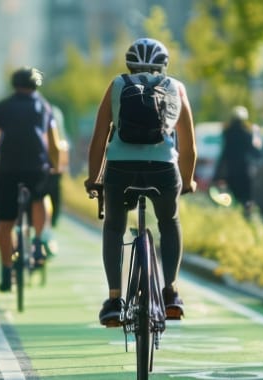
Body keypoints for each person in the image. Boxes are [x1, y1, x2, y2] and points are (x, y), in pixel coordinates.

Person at [84, 38, 197, 326]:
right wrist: (187, 181)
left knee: (113, 226)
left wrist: (93, 179)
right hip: (162, 169)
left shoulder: (117, 85)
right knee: (169, 222)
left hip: (121, 169)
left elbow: (98, 138)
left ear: (129, 64)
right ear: (165, 65)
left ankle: (113, 299)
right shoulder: (176, 87)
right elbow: (189, 146)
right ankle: (170, 293)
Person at [0, 67, 61, 293]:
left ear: (14, 85)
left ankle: (6, 272)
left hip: (9, 168)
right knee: (40, 197)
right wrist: (56, 166)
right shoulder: (44, 106)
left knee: (5, 224)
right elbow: (54, 142)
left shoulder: (2, 107)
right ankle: (39, 241)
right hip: (37, 165)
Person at [213, 105, 262, 218]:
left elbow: (224, 154)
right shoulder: (248, 133)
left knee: (232, 199)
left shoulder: (228, 133)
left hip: (231, 172)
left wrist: (217, 174)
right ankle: (246, 218)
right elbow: (256, 152)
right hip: (245, 171)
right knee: (247, 200)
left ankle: (234, 218)